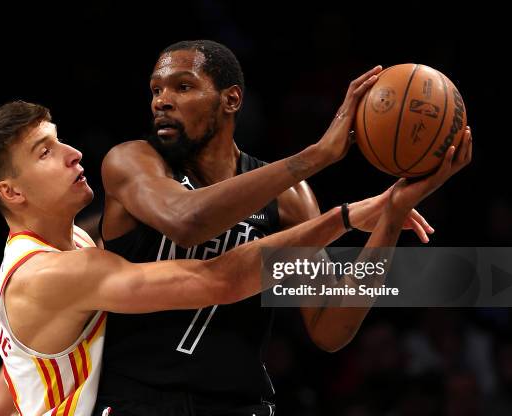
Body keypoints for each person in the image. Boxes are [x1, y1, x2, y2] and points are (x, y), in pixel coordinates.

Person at [0, 100, 462, 416]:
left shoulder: (75, 245)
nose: (73, 153)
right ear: (11, 192)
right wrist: (344, 215)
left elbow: (10, 383)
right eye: (45, 151)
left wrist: (385, 218)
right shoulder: (53, 273)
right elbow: (216, 279)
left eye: (59, 138)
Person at [93, 40, 472, 415]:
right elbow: (187, 222)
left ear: (231, 99)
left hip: (238, 404)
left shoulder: (289, 198)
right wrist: (317, 156)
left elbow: (330, 327)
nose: (162, 100)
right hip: (138, 400)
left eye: (183, 86)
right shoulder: (133, 160)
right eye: (156, 90)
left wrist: (390, 217)